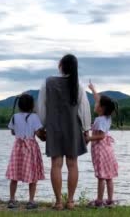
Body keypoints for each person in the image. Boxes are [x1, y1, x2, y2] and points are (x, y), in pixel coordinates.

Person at [36, 54, 91, 210]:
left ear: (61, 65)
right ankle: (71, 201)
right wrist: (86, 130)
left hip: (54, 127)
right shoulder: (78, 85)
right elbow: (84, 109)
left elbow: (42, 107)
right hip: (73, 127)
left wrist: (41, 127)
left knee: (56, 164)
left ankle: (59, 202)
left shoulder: (47, 83)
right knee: (73, 164)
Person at [5, 93, 45, 210]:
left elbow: (12, 132)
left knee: (14, 174)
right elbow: (38, 134)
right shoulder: (34, 117)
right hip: (30, 148)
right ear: (32, 105)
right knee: (32, 175)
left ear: (19, 105)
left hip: (18, 147)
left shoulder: (15, 117)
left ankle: (12, 200)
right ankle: (31, 201)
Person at [86, 80, 119, 208]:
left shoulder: (100, 120)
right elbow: (98, 99)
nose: (95, 104)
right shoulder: (107, 117)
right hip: (108, 150)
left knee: (101, 177)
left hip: (100, 150)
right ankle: (110, 200)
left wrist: (89, 138)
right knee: (108, 177)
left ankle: (99, 201)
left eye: (97, 103)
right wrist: (93, 89)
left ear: (102, 108)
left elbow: (101, 136)